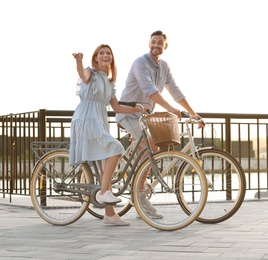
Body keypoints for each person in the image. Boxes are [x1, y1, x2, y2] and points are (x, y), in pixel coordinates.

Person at [115, 30, 204, 219]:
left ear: (165, 46)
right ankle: (138, 195)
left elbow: (176, 91)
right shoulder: (140, 62)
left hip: (144, 115)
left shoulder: (164, 66)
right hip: (129, 112)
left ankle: (137, 186)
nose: (156, 46)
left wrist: (194, 113)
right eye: (153, 42)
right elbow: (150, 90)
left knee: (149, 148)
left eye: (160, 43)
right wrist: (171, 109)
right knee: (151, 147)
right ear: (149, 44)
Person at [70, 44, 141, 226]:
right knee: (116, 148)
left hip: (99, 121)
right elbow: (82, 74)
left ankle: (109, 214)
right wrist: (79, 61)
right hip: (86, 119)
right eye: (101, 53)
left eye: (108, 53)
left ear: (111, 58)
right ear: (95, 58)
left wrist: (138, 108)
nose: (105, 55)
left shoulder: (109, 83)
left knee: (104, 169)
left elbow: (117, 108)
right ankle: (103, 192)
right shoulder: (90, 74)